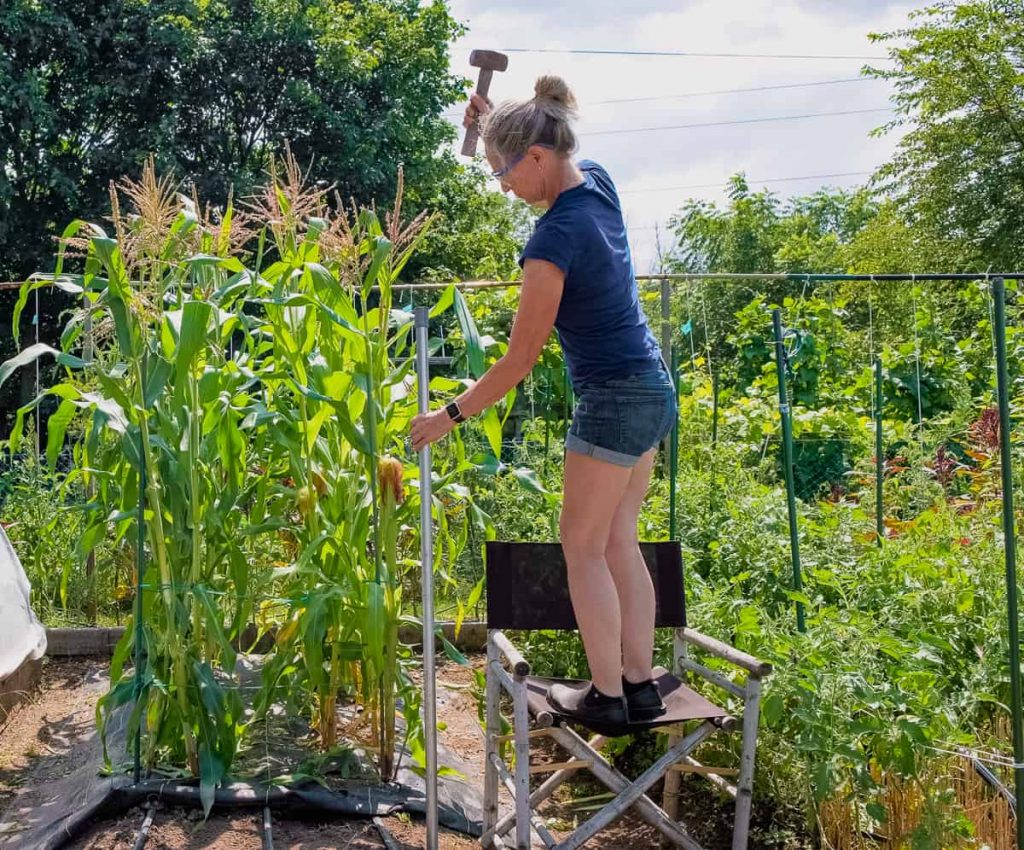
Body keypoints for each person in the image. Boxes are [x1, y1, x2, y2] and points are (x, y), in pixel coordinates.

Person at [410, 75, 676, 730]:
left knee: (581, 547)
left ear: (534, 158)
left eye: (505, 174)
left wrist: (447, 417)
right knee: (620, 540)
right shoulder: (599, 184)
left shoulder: (550, 242)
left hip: (612, 399)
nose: (504, 187)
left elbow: (519, 360)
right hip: (652, 389)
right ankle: (640, 686)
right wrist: (498, 119)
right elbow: (544, 133)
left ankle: (607, 697)